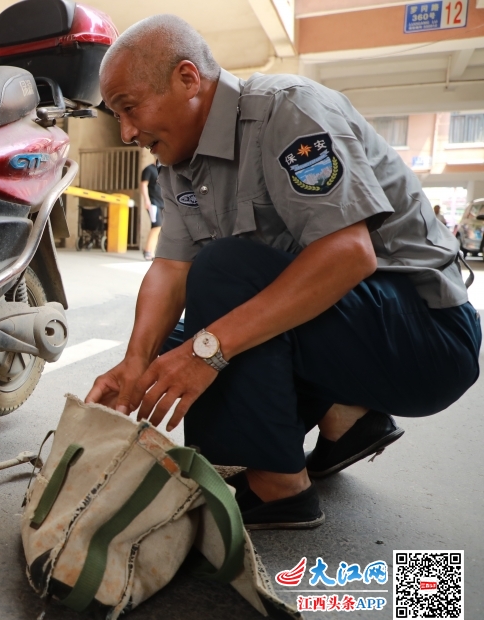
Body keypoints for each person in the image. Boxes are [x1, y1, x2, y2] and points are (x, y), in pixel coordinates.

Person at [86, 15, 481, 530]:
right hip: (355, 331)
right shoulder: (177, 164)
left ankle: (278, 488)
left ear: (187, 78)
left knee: (221, 280)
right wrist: (136, 363)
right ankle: (346, 417)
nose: (127, 131)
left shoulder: (287, 110)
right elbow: (171, 267)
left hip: (425, 338)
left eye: (129, 108)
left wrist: (207, 352)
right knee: (169, 353)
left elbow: (348, 254)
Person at [141, 158, 165, 260]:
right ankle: (148, 251)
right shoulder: (149, 169)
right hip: (153, 203)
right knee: (156, 226)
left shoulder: (163, 170)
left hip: (163, 203)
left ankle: (151, 251)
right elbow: (143, 185)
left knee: (160, 228)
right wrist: (147, 200)